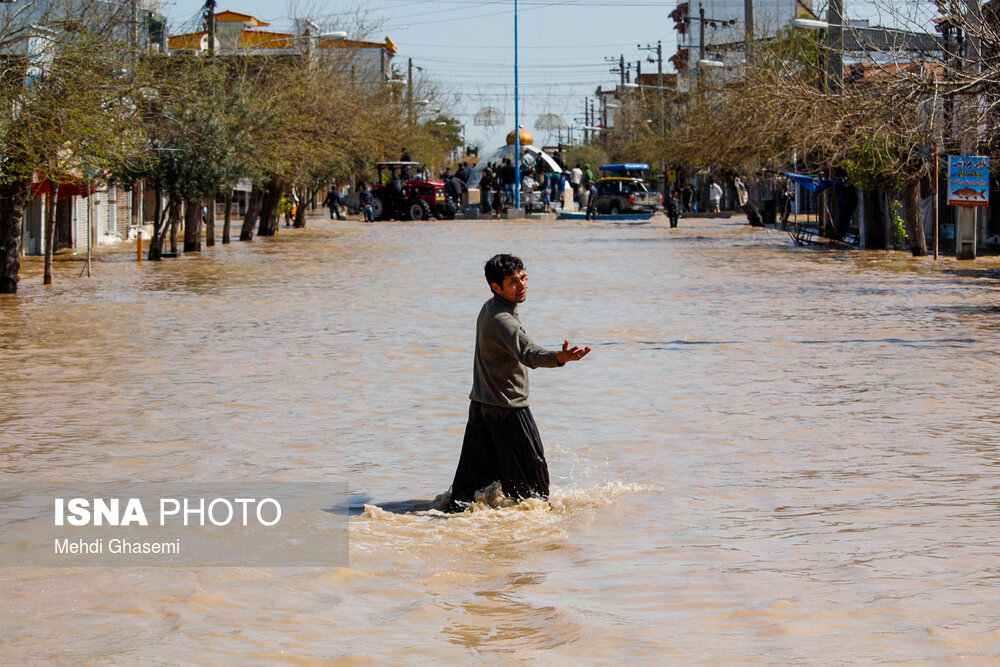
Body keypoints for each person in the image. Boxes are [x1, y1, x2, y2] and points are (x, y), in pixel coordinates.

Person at [448, 254, 591, 511]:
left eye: (523, 277)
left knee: (470, 494)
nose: (522, 285)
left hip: (482, 407)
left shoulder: (489, 308)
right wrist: (560, 357)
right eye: (513, 281)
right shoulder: (504, 321)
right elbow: (530, 354)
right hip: (508, 411)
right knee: (535, 494)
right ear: (496, 287)